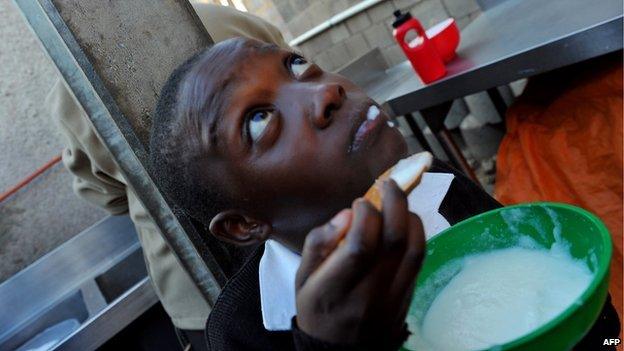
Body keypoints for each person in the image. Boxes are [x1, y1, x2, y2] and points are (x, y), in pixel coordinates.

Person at [149, 38, 620, 350]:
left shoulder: (443, 188)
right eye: (258, 120)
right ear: (243, 224)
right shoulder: (243, 330)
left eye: (296, 65)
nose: (325, 91)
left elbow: (585, 318)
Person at [46, 4, 288, 350]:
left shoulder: (70, 89)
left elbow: (105, 194)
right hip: (293, 239)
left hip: (197, 295)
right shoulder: (226, 22)